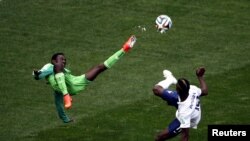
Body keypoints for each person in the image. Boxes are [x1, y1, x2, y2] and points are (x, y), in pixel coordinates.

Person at [33, 35, 137, 123]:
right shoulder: (49, 66)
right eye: (61, 59)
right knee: (57, 69)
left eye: (64, 60)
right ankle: (66, 96)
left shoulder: (62, 71)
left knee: (99, 68)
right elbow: (41, 76)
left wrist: (38, 75)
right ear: (53, 60)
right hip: (65, 89)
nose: (63, 61)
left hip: (75, 82)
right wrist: (37, 74)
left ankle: (124, 49)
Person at [152, 67, 208, 141]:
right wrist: (200, 76)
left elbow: (185, 136)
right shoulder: (192, 89)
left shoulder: (184, 113)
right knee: (156, 89)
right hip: (183, 100)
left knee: (159, 138)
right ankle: (170, 79)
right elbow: (204, 91)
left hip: (189, 117)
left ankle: (170, 86)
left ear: (177, 90)